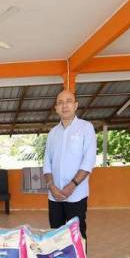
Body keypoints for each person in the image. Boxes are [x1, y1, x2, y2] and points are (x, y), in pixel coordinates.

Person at [43, 89, 97, 239]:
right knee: (55, 236)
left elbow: (88, 161)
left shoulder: (86, 127)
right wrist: (51, 186)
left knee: (78, 236)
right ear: (56, 108)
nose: (64, 105)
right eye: (60, 102)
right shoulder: (53, 133)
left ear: (76, 105)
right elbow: (47, 162)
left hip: (76, 195)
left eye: (68, 101)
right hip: (54, 196)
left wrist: (72, 185)